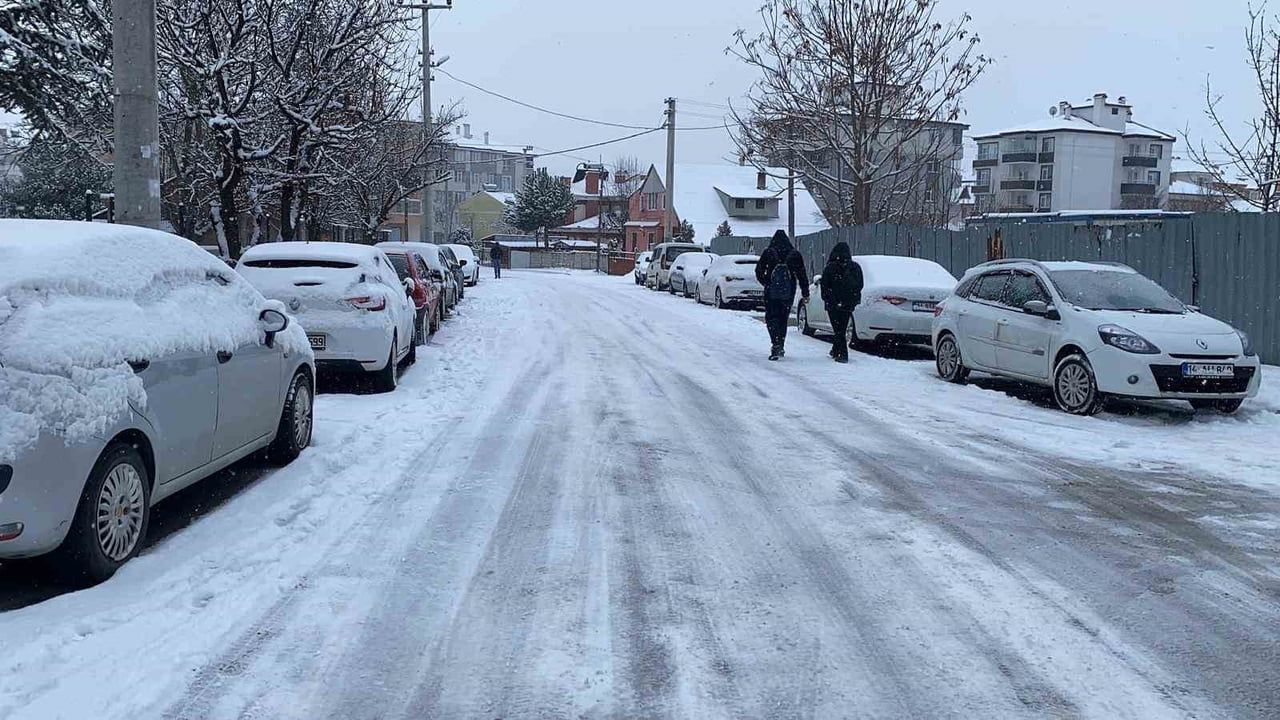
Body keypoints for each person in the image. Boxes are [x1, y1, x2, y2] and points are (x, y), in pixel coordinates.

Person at [755, 229, 809, 361]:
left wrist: (767, 283)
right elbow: (802, 274)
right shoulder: (794, 254)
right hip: (788, 292)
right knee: (783, 318)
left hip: (771, 292)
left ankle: (775, 343)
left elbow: (758, 270)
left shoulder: (769, 252)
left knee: (771, 317)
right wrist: (805, 292)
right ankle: (781, 344)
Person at [818, 241, 864, 364]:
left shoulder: (830, 267)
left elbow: (825, 286)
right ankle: (835, 349)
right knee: (842, 328)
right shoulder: (855, 267)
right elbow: (860, 285)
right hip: (848, 303)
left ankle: (843, 354)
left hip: (833, 304)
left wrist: (828, 299)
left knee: (838, 329)